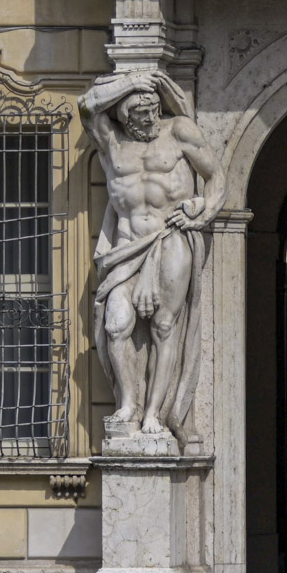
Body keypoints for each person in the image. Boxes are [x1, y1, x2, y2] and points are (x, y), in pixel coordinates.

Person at [80, 68, 223, 446]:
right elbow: (87, 105)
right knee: (116, 323)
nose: (149, 118)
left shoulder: (178, 131)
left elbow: (217, 177)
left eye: (153, 109)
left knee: (163, 326)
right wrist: (135, 80)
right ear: (124, 113)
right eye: (140, 112)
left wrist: (201, 211)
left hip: (171, 236)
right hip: (126, 247)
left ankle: (154, 412)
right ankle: (128, 403)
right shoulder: (111, 144)